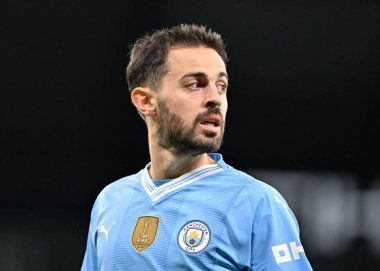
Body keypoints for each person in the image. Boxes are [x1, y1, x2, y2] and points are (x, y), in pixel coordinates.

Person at [81, 24, 313, 270]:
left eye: (221, 86)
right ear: (146, 101)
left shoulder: (256, 203)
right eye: (195, 84)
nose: (215, 98)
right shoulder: (110, 201)